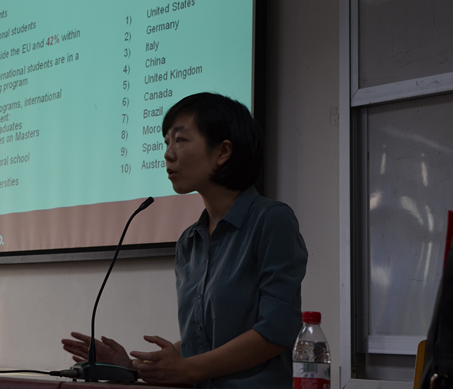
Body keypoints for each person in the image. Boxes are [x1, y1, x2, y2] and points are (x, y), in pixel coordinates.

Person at [62, 92, 308, 388]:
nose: (168, 154)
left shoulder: (271, 220)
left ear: (223, 152)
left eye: (180, 139)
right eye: (166, 142)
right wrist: (133, 367)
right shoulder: (189, 242)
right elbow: (200, 341)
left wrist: (189, 370)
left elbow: (277, 330)